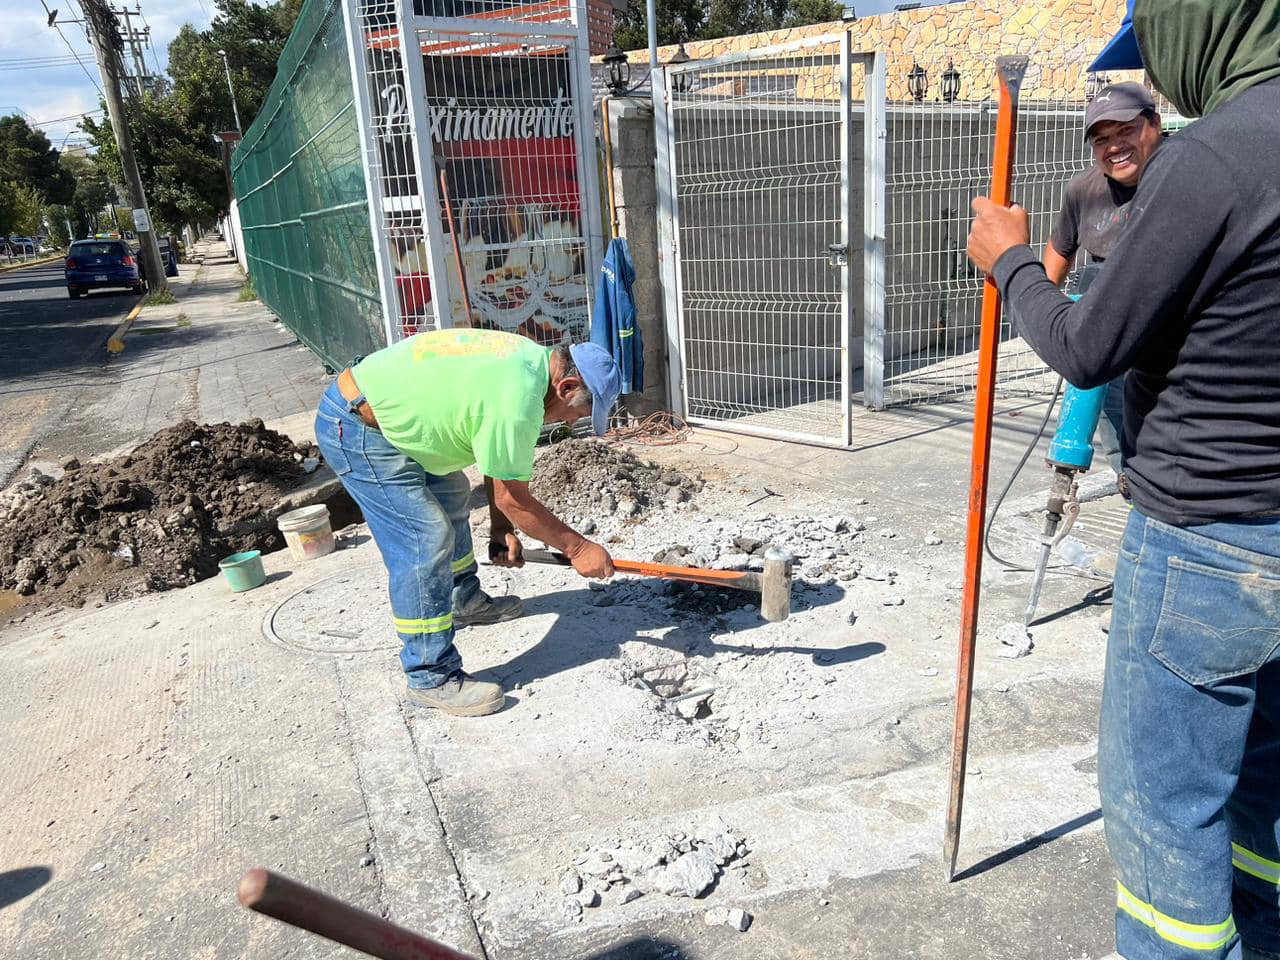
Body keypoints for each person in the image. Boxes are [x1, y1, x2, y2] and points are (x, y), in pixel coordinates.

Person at [967, 2, 1280, 958]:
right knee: (1262, 775)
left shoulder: (1216, 157)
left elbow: (1086, 345)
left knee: (1162, 817)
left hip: (1206, 535)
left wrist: (1006, 260)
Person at [314, 329, 621, 717]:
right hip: (358, 427)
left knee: (452, 492)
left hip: (390, 418)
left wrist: (499, 528)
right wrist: (578, 548)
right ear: (568, 386)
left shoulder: (531, 364)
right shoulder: (519, 397)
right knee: (424, 539)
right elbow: (514, 497)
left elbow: (501, 469)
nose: (569, 423)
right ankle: (430, 675)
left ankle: (463, 600)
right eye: (576, 413)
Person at [1044, 81, 1163, 476]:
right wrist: (1047, 319)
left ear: (1155, 125)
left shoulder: (1179, 178)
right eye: (1101, 139)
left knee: (1157, 433)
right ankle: (1131, 492)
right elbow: (1060, 250)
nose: (1114, 146)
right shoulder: (1084, 190)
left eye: (1125, 130)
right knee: (1116, 432)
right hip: (1106, 331)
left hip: (1167, 336)